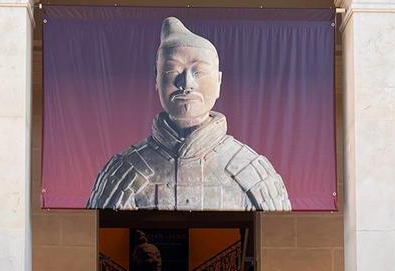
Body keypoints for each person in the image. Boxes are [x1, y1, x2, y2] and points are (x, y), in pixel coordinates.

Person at [86, 16, 290, 211]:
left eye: (198, 72)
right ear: (156, 80)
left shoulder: (254, 173)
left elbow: (281, 242)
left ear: (219, 82)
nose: (186, 84)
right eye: (172, 71)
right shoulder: (122, 172)